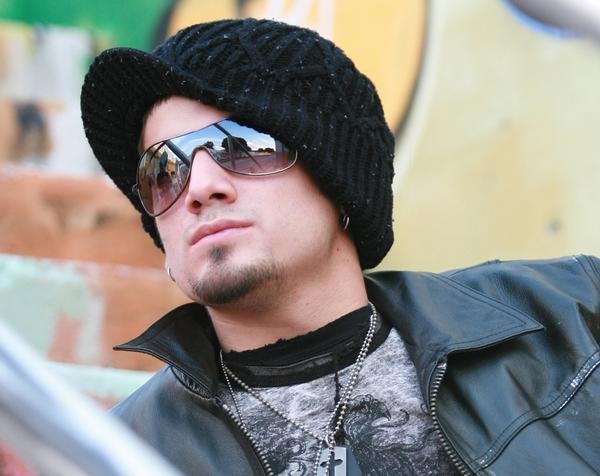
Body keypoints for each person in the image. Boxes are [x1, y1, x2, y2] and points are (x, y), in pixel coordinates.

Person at [80, 18, 600, 476]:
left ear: (340, 183)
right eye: (163, 170)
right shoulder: (116, 457)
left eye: (240, 145)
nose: (198, 188)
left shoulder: (572, 316)